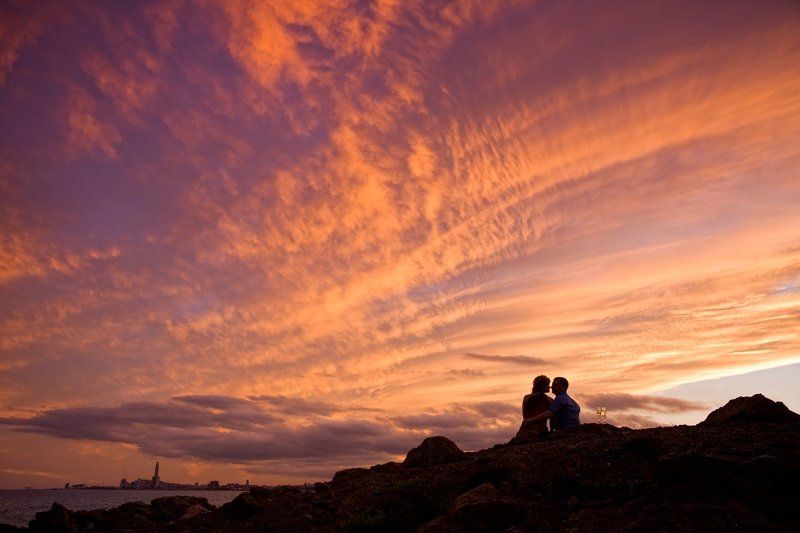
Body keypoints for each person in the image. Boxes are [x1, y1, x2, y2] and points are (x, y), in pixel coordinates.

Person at [509, 375, 552, 444]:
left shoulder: (527, 397)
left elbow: (525, 415)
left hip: (524, 431)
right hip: (539, 433)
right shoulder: (549, 400)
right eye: (547, 384)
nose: (549, 387)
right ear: (542, 386)